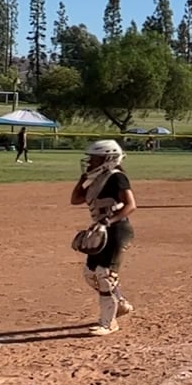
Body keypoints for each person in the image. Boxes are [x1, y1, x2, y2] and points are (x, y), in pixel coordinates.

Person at [70, 139, 137, 336]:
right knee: (90, 274)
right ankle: (120, 303)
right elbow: (75, 199)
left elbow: (131, 205)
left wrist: (109, 221)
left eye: (94, 158)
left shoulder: (117, 177)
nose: (90, 162)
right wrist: (82, 180)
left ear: (108, 159)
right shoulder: (96, 178)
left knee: (104, 275)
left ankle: (108, 323)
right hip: (101, 229)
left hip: (117, 230)